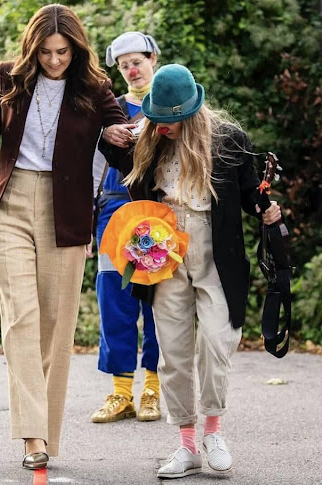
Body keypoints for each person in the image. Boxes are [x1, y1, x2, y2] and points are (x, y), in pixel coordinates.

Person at [99, 64, 282, 478]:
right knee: (174, 354)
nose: (163, 128)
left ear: (191, 112)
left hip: (215, 250)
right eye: (158, 119)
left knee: (217, 342)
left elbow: (251, 191)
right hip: (163, 251)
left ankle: (213, 431)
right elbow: (113, 151)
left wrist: (265, 208)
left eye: (170, 120)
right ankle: (185, 444)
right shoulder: (148, 134)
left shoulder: (227, 140)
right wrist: (107, 133)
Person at [0, 4, 131, 470]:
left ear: (76, 49)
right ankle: (33, 438)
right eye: (45, 52)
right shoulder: (11, 78)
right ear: (32, 48)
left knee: (55, 326)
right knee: (20, 319)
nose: (55, 60)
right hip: (11, 203)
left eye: (62, 51)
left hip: (67, 212)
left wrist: (119, 137)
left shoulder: (94, 88)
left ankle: (46, 432)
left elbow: (125, 148)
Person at [90, 31, 162, 425]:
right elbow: (94, 172)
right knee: (114, 305)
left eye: (137, 61)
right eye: (123, 65)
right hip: (113, 215)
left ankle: (152, 389)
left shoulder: (172, 106)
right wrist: (87, 224)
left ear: (153, 58)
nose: (131, 70)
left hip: (157, 218)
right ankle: (121, 394)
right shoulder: (109, 112)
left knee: (156, 305)